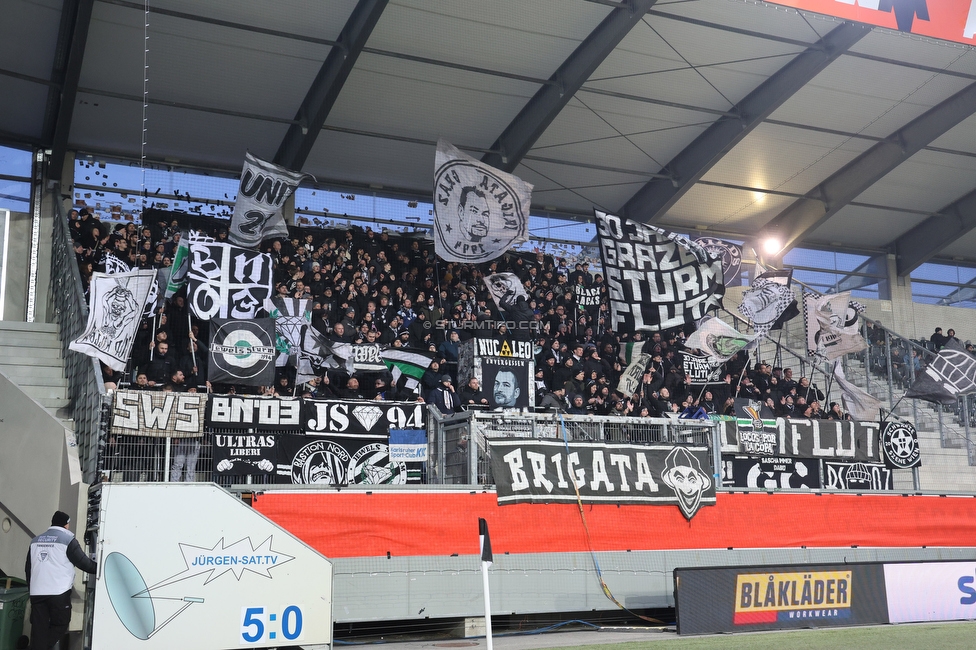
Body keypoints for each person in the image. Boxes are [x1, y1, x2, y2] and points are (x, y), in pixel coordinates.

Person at [26, 511, 97, 650]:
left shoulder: (35, 541)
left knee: (39, 628)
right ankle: (44, 646)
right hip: (58, 592)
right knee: (61, 623)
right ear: (66, 524)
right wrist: (101, 567)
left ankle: (38, 646)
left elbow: (28, 569)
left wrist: (32, 588)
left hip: (37, 592)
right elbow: (84, 563)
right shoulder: (67, 540)